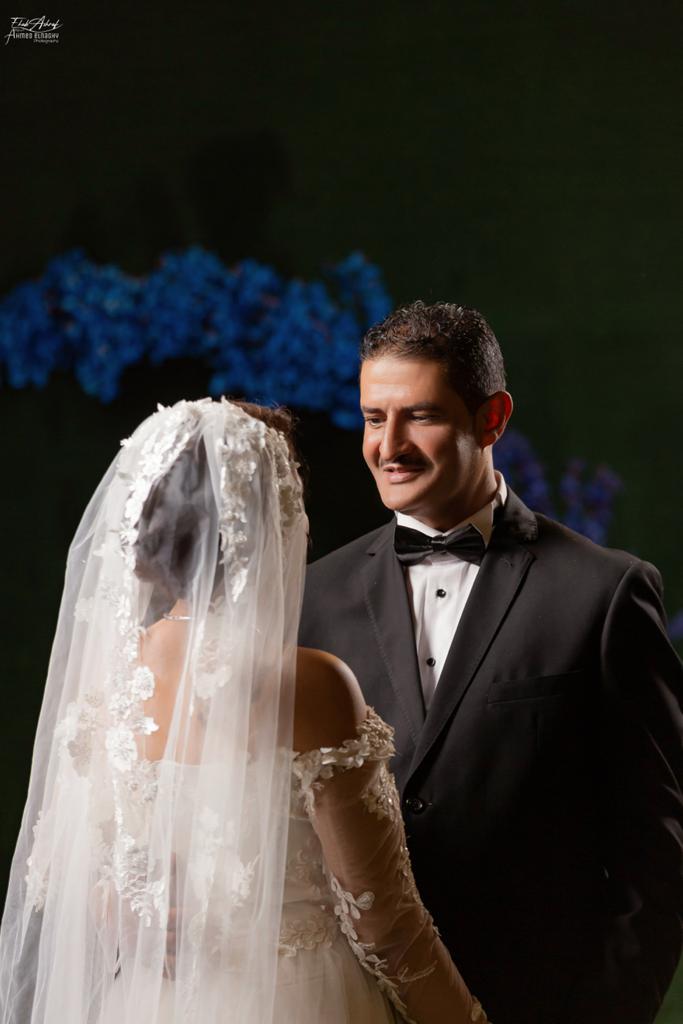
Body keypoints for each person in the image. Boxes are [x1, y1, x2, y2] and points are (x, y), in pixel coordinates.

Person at [0, 397, 488, 1024]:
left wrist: (118, 905)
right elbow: (386, 923)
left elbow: (71, 875)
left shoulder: (107, 683)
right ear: (269, 519)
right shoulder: (309, 686)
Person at [299, 300, 683, 1024]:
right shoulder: (310, 599)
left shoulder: (604, 593)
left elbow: (658, 852)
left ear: (492, 419)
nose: (389, 446)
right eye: (374, 418)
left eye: (420, 416)